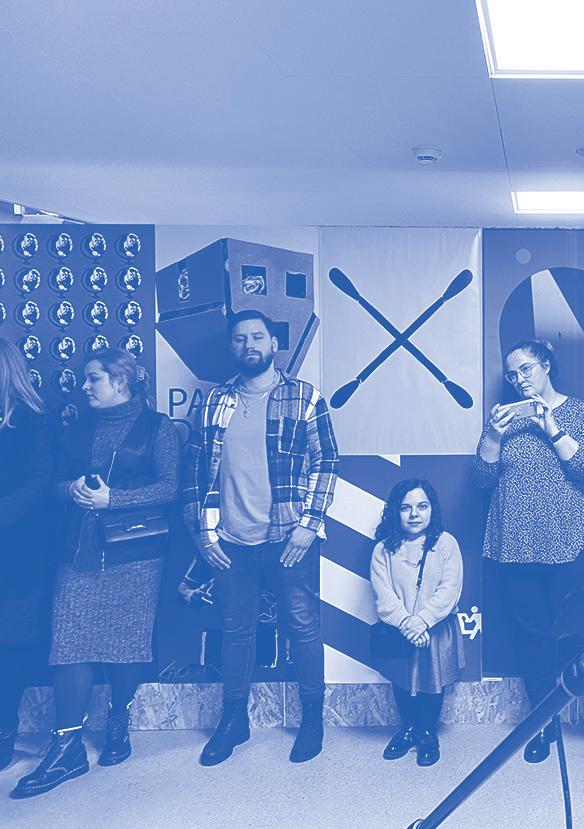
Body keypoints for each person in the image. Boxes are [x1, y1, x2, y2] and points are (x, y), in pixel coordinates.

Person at [11, 349, 180, 799]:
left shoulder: (158, 427)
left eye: (93, 379)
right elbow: (52, 485)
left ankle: (118, 719)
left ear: (120, 381)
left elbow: (170, 487)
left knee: (125, 645)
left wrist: (113, 500)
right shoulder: (76, 429)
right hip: (80, 553)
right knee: (69, 645)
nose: (84, 387)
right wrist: (72, 489)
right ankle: (66, 747)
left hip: (136, 556)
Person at [182, 309, 338, 766]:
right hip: (230, 540)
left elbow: (327, 461)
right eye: (239, 339)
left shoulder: (304, 397)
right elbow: (194, 472)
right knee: (235, 632)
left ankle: (312, 720)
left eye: (257, 337)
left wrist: (309, 525)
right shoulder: (214, 401)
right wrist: (203, 534)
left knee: (302, 627)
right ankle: (234, 720)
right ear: (232, 348)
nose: (248, 345)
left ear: (273, 344)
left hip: (289, 537)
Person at [474, 339, 584, 764]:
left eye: (526, 369)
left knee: (574, 635)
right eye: (512, 373)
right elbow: (482, 481)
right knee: (531, 640)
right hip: (515, 547)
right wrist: (492, 435)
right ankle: (544, 724)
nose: (519, 379)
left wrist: (550, 426)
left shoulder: (577, 412)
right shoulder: (505, 420)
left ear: (546, 365)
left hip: (567, 544)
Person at [370, 479, 464, 767]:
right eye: (406, 508)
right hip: (399, 631)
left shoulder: (446, 543)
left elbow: (450, 589)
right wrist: (407, 624)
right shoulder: (383, 549)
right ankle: (409, 729)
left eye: (421, 506)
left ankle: (427, 734)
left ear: (431, 509)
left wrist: (422, 621)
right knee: (402, 680)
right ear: (395, 512)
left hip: (435, 629)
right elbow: (384, 595)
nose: (414, 514)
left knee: (431, 683)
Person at [0, 339, 53, 772]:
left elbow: (38, 483)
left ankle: (3, 735)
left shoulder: (34, 423)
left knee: (9, 647)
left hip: (17, 554)